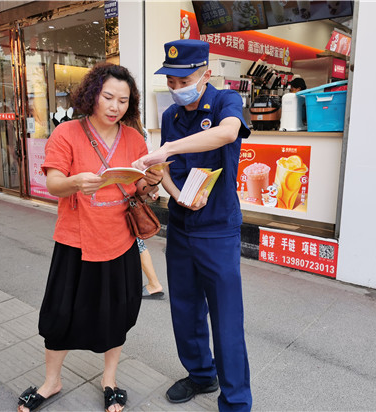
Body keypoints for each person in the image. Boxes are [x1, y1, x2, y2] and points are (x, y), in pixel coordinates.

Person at [17, 63, 164, 412]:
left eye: (123, 101)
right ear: (92, 95)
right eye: (108, 97)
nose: (115, 107)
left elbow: (139, 188)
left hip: (120, 241)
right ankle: (52, 382)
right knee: (60, 314)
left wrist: (152, 183)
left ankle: (109, 380)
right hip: (76, 241)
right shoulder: (67, 133)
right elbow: (53, 183)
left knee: (118, 314)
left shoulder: (134, 139)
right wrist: (74, 182)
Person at [132, 39, 252, 411]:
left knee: (226, 318)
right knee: (184, 308)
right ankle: (201, 374)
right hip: (183, 224)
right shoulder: (171, 116)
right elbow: (166, 170)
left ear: (206, 74)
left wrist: (169, 147)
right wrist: (174, 193)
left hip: (218, 228)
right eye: (170, 82)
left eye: (183, 81)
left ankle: (235, 401)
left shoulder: (226, 101)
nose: (176, 88)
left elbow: (228, 132)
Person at [126, 117, 165, 299]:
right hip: (138, 193)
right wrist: (151, 190)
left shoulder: (126, 134)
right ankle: (153, 283)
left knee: (136, 241)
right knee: (136, 241)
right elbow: (150, 168)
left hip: (127, 195)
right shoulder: (142, 132)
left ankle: (154, 283)